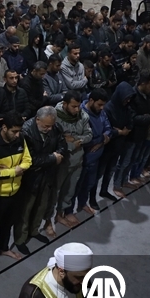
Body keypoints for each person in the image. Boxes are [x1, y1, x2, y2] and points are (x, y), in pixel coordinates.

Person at [12, 106, 67, 254]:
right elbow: (32, 159)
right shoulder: (26, 131)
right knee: (26, 209)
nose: (49, 129)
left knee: (41, 205)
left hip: (47, 174)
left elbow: (63, 146)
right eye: (45, 126)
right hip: (31, 177)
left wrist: (56, 155)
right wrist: (53, 158)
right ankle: (20, 239)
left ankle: (34, 230)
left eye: (51, 126)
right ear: (37, 119)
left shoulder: (56, 127)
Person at [0, 112, 33, 261]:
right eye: (14, 131)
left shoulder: (21, 139)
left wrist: (10, 170)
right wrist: (16, 171)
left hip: (15, 191)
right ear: (4, 128)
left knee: (7, 224)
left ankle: (4, 249)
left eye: (19, 131)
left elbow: (28, 160)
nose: (18, 135)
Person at [53, 91, 91, 228]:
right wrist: (69, 143)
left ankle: (60, 214)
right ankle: (48, 221)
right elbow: (54, 141)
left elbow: (89, 135)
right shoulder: (54, 117)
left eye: (78, 106)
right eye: (73, 106)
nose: (77, 109)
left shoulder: (83, 116)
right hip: (61, 162)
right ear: (65, 104)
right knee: (55, 192)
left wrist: (76, 140)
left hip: (77, 160)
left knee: (69, 190)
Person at [76, 89, 112, 215]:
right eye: (99, 104)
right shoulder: (81, 114)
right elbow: (85, 138)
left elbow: (108, 128)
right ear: (91, 100)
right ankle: (67, 212)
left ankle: (82, 203)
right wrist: (102, 139)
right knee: (75, 187)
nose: (102, 108)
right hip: (83, 157)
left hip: (96, 157)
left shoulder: (101, 112)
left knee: (89, 183)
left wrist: (101, 141)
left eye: (103, 105)